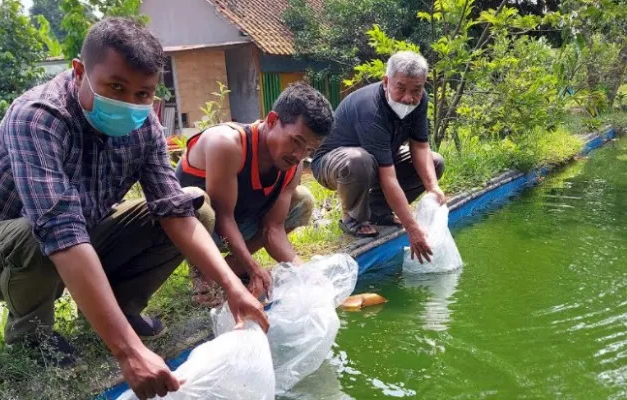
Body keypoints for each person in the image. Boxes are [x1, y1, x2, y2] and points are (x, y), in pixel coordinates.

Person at [0, 18, 267, 400]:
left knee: (195, 212)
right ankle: (31, 336)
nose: (129, 103)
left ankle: (118, 308)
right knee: (39, 231)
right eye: (116, 87)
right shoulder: (37, 117)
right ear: (79, 71)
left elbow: (173, 211)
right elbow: (59, 230)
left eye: (143, 93)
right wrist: (128, 352)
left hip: (83, 231)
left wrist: (233, 286)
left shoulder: (144, 127)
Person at [175, 83, 334, 303]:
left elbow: (274, 229)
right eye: (296, 141)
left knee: (303, 200)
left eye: (309, 150)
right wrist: (253, 265)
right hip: (195, 226)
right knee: (199, 204)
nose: (299, 155)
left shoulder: (293, 164)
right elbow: (223, 218)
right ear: (271, 121)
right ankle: (203, 276)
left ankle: (229, 269)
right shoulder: (227, 144)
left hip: (238, 219)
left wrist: (305, 273)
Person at [311, 51, 445, 263]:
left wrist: (433, 187)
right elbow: (388, 177)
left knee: (435, 162)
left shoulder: (420, 101)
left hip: (378, 159)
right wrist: (412, 228)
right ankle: (353, 219)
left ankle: (378, 212)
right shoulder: (370, 109)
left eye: (416, 90)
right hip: (335, 163)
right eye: (401, 88)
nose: (408, 98)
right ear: (386, 81)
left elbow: (420, 146)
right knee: (358, 160)